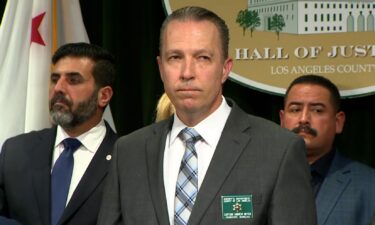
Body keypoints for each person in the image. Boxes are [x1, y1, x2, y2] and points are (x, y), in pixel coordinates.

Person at [98, 6, 316, 225]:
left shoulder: (279, 150)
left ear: (225, 68)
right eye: (175, 57)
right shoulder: (128, 152)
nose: (187, 73)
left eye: (202, 57)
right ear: (161, 68)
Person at [0, 42, 118, 225]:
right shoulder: (15, 151)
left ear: (104, 95)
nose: (58, 88)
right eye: (55, 79)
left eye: (73, 80)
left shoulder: (128, 157)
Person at [279, 74, 375, 225]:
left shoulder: (369, 184)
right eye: (295, 109)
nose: (303, 118)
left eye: (317, 110)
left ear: (338, 122)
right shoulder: (256, 177)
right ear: (282, 120)